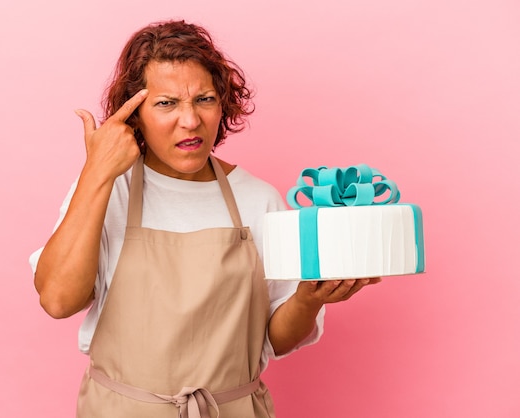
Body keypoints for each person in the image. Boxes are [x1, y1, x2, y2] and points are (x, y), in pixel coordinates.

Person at [29, 20, 380, 418]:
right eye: (166, 103)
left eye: (205, 99)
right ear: (135, 114)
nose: (191, 120)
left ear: (223, 104)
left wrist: (307, 300)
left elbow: (275, 340)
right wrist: (96, 173)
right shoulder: (110, 190)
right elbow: (57, 300)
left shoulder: (258, 198)